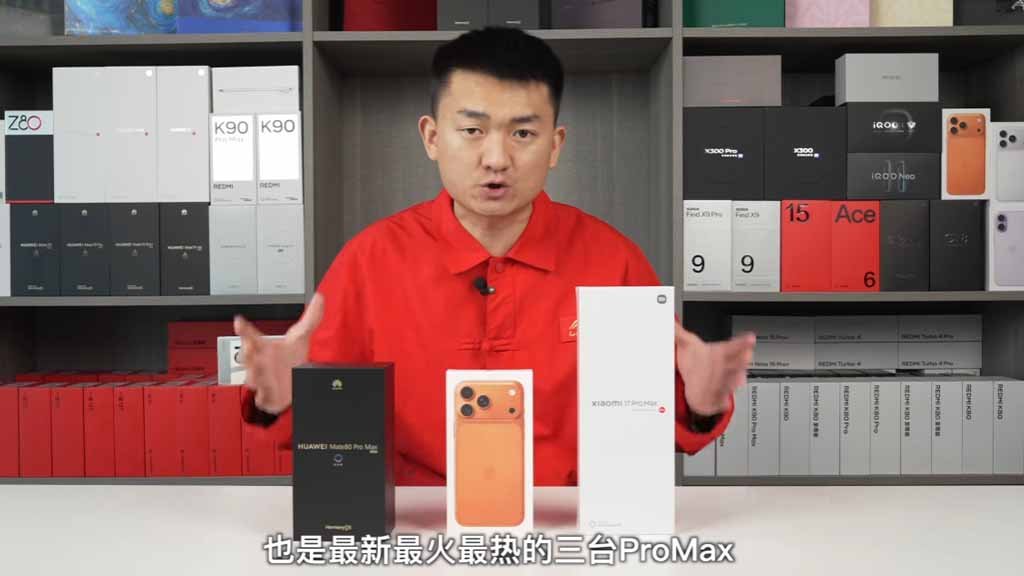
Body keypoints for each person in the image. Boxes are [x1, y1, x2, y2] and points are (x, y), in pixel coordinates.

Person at [234, 27, 755, 487]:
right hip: (419, 520)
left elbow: (658, 420)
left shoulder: (612, 261)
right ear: (432, 137)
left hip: (566, 519)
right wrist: (278, 400)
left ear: (555, 145)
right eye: (473, 130)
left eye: (523, 133)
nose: (496, 159)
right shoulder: (370, 260)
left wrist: (699, 404)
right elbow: (325, 425)